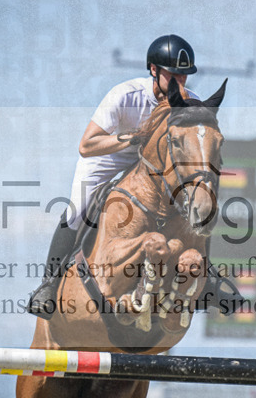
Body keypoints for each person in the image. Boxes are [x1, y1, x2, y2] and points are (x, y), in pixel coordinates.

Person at [27, 34, 241, 319]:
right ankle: (49, 285)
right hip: (108, 158)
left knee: (196, 203)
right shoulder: (125, 95)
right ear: (153, 69)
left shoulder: (192, 103)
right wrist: (132, 139)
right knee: (77, 210)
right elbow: (87, 145)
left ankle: (207, 277)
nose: (180, 81)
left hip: (154, 165)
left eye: (184, 75)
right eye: (173, 74)